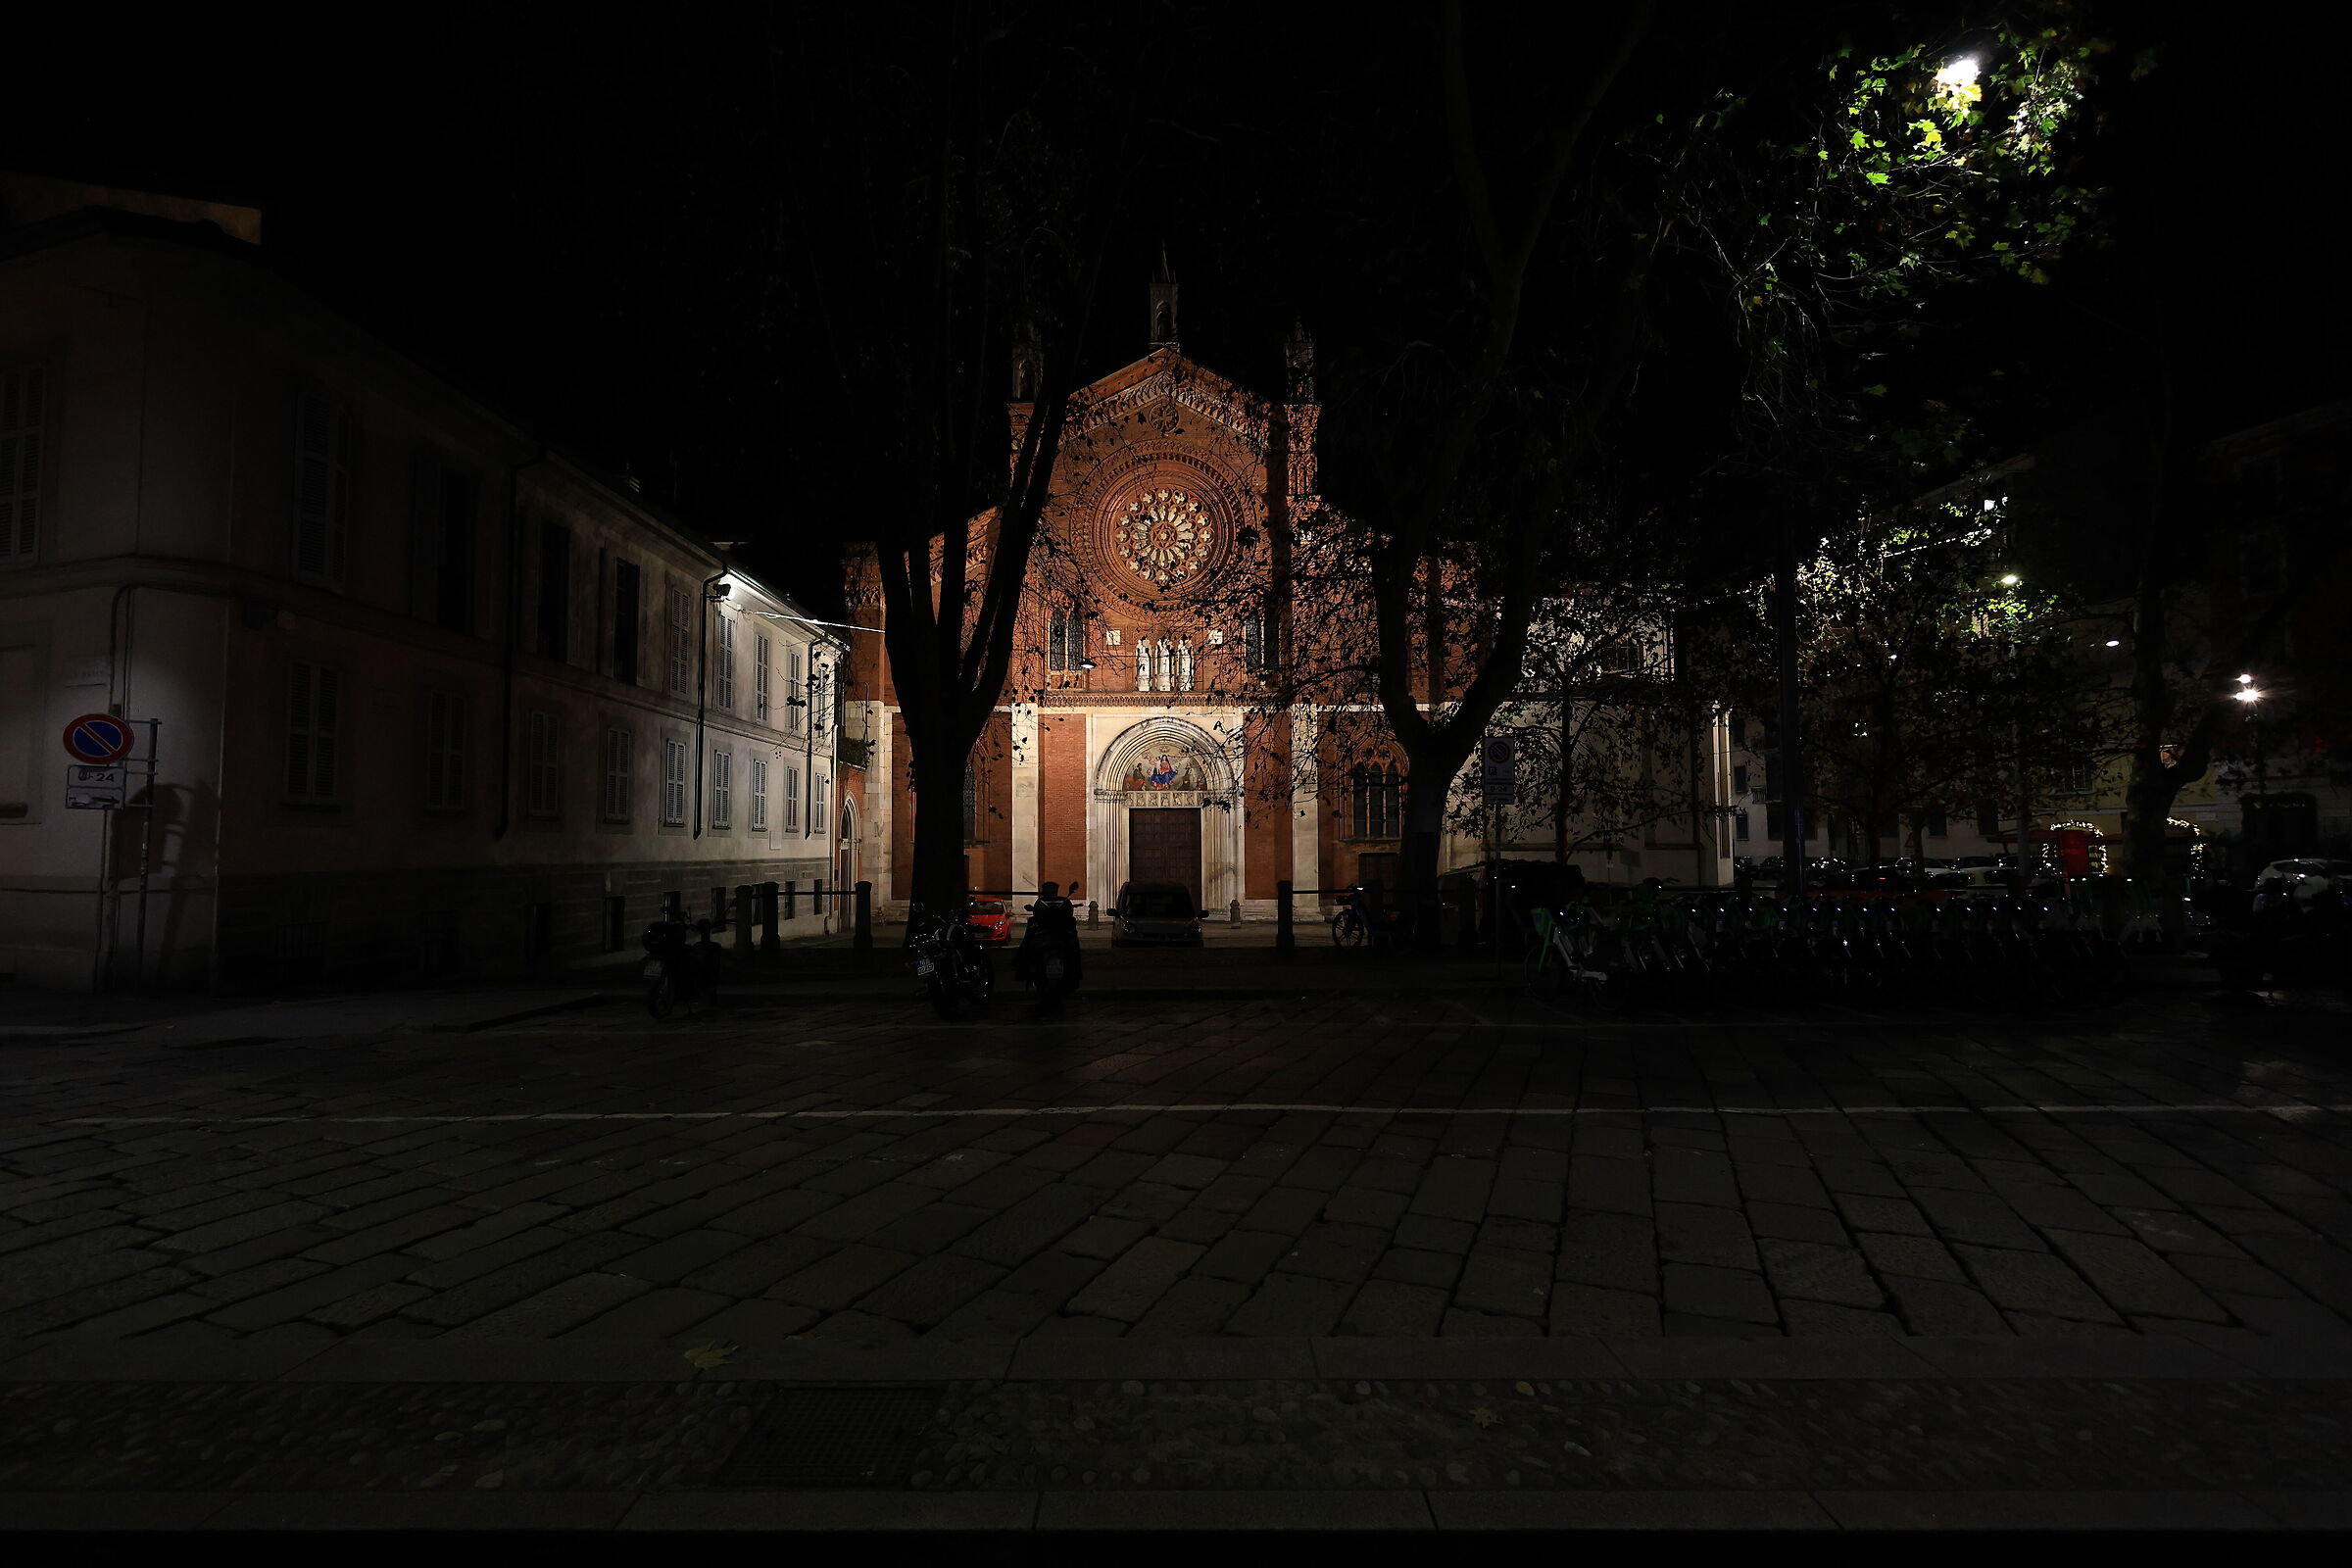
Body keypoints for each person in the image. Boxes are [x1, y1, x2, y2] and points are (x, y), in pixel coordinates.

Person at [1017, 879, 1083, 984]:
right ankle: (1024, 969)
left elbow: (1036, 915)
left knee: (1028, 944)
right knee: (1073, 947)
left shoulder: (1046, 902)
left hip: (1055, 933)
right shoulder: (1058, 901)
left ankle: (1023, 969)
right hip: (1057, 933)